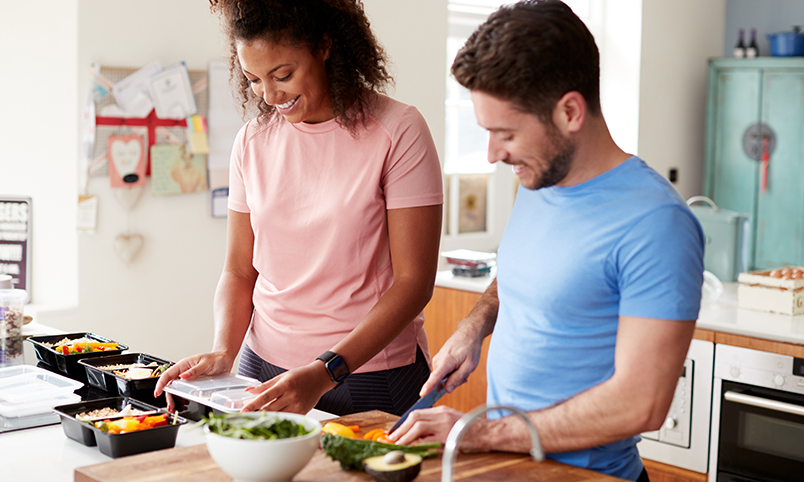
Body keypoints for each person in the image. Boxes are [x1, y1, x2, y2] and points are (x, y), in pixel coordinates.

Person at [388, 2, 704, 481]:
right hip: (511, 467)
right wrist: (475, 327)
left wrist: (479, 433)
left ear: (570, 111)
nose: (493, 154)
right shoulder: (537, 181)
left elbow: (643, 403)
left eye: (506, 133)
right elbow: (525, 271)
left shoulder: (656, 223)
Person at [155, 0, 443, 417]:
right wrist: (223, 352)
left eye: (283, 75)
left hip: (367, 372)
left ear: (325, 46)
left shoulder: (398, 131)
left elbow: (414, 283)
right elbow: (239, 270)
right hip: (262, 367)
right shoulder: (252, 141)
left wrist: (326, 370)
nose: (270, 96)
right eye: (254, 79)